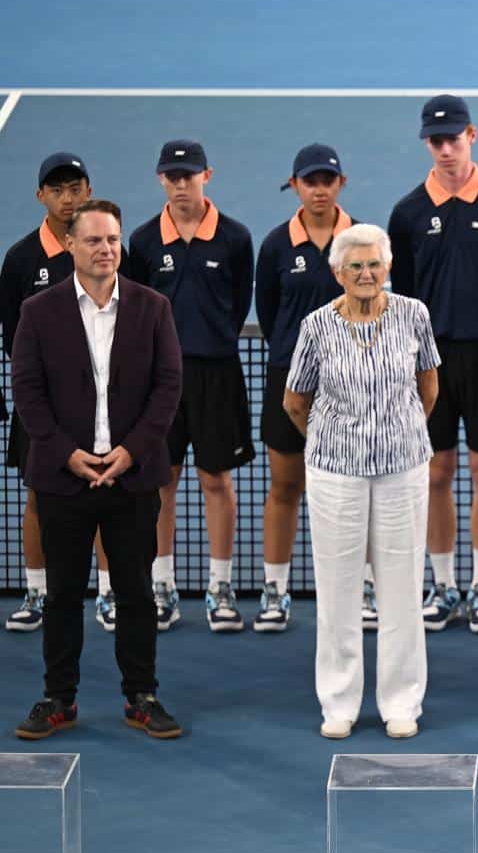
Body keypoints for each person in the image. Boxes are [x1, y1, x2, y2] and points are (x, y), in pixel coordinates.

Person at [11, 200, 183, 740]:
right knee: (63, 594)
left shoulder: (153, 307)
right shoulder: (37, 313)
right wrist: (68, 453)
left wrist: (131, 451)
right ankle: (58, 699)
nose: (106, 249)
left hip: (132, 477)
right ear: (70, 246)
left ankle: (141, 695)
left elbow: (168, 386)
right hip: (64, 479)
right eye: (93, 241)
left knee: (135, 593)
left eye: (112, 240)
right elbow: (28, 392)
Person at [283, 224, 440, 739]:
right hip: (334, 476)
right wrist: (334, 443)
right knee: (337, 590)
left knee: (401, 590)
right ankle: (339, 702)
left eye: (374, 264)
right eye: (355, 266)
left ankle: (401, 703)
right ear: (337, 273)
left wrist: (396, 434)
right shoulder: (316, 326)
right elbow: (295, 401)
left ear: (387, 268)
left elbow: (428, 387)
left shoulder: (415, 315)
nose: (367, 274)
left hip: (403, 471)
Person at [388, 94, 478, 632]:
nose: (446, 149)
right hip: (429, 363)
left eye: (454, 138)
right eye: (437, 140)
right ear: (427, 143)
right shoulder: (409, 213)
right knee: (434, 473)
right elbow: (405, 297)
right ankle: (442, 585)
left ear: (473, 136)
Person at [122, 139, 255, 633]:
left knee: (216, 480)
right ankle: (162, 584)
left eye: (189, 175)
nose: (181, 184)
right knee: (163, 481)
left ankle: (220, 588)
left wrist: (210, 339)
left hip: (217, 374)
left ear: (207, 175)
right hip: (159, 380)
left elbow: (240, 301)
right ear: (161, 180)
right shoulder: (142, 242)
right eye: (172, 176)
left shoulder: (236, 238)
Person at [3, 152, 110, 633]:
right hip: (44, 406)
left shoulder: (105, 247)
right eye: (58, 190)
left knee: (110, 495)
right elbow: (11, 338)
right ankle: (37, 592)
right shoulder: (21, 259)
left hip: (108, 400)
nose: (68, 198)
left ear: (88, 190)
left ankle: (109, 594)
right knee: (38, 497)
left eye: (75, 188)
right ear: (41, 196)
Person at [252, 143, 352, 633]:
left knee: (354, 490)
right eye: (309, 181)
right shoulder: (275, 245)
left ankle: (360, 589)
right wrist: (297, 359)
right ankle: (275, 591)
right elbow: (268, 313)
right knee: (286, 485)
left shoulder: (362, 242)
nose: (319, 189)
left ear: (340, 184)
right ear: (294, 185)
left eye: (327, 180)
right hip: (289, 380)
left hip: (353, 384)